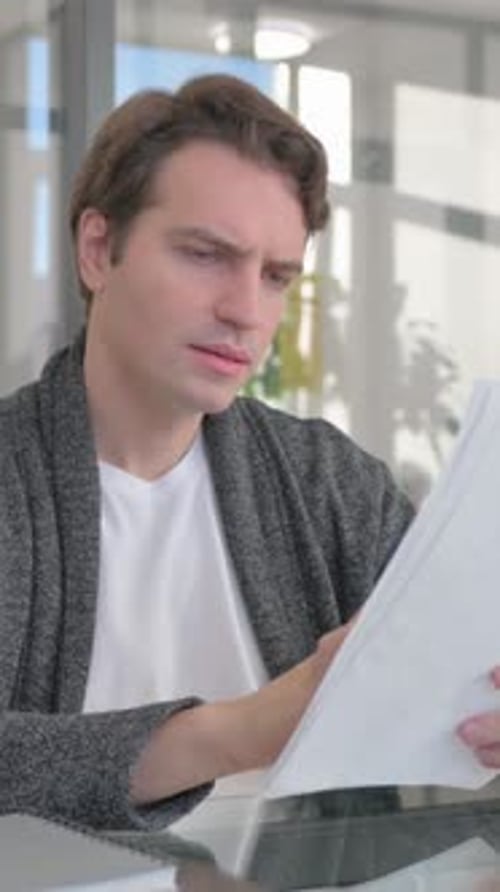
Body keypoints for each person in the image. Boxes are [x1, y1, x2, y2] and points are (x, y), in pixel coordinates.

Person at [0, 74, 493, 834]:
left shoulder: (329, 484)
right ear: (99, 249)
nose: (246, 311)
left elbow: (449, 668)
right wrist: (249, 727)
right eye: (205, 255)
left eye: (275, 276)